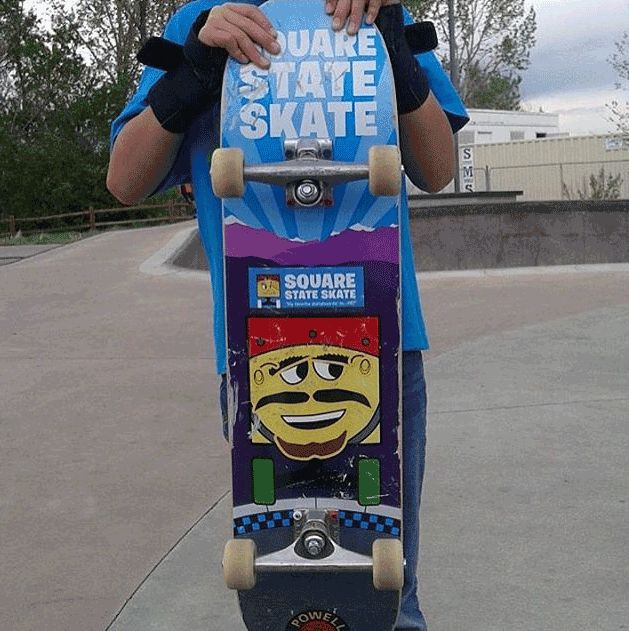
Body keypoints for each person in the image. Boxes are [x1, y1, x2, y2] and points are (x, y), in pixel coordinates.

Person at [107, 2, 468, 629]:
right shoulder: (201, 17)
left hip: (382, 343)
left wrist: (394, 47)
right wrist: (194, 69)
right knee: (281, 578)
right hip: (259, 352)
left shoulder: (376, 8)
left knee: (384, 586)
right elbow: (123, 180)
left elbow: (436, 169)